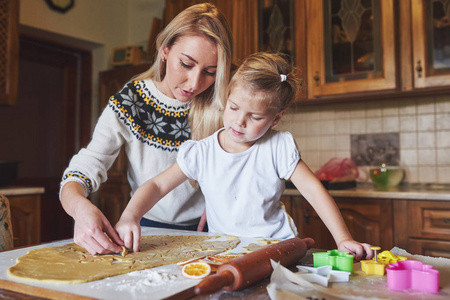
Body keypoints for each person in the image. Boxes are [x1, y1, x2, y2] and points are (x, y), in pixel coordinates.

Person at [114, 52, 374, 261]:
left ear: (275, 119)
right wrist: (130, 216)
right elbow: (158, 185)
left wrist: (343, 239)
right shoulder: (202, 152)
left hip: (277, 249)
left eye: (255, 116)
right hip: (225, 253)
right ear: (226, 100)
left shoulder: (278, 147)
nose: (239, 121)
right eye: (234, 107)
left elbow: (315, 191)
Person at [59, 3, 233, 255]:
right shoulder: (131, 101)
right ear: (165, 49)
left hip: (214, 227)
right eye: (186, 64)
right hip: (147, 227)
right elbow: (88, 163)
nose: (195, 83)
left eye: (210, 72)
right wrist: (79, 208)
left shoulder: (226, 101)